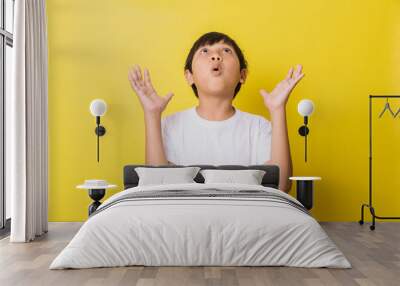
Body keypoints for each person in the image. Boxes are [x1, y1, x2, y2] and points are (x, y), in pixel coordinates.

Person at [128, 32, 304, 193]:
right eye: (205, 51)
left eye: (226, 51)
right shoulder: (169, 126)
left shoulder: (258, 127)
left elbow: (281, 186)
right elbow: (157, 188)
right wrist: (152, 115)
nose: (215, 56)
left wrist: (277, 110)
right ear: (189, 76)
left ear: (242, 75)